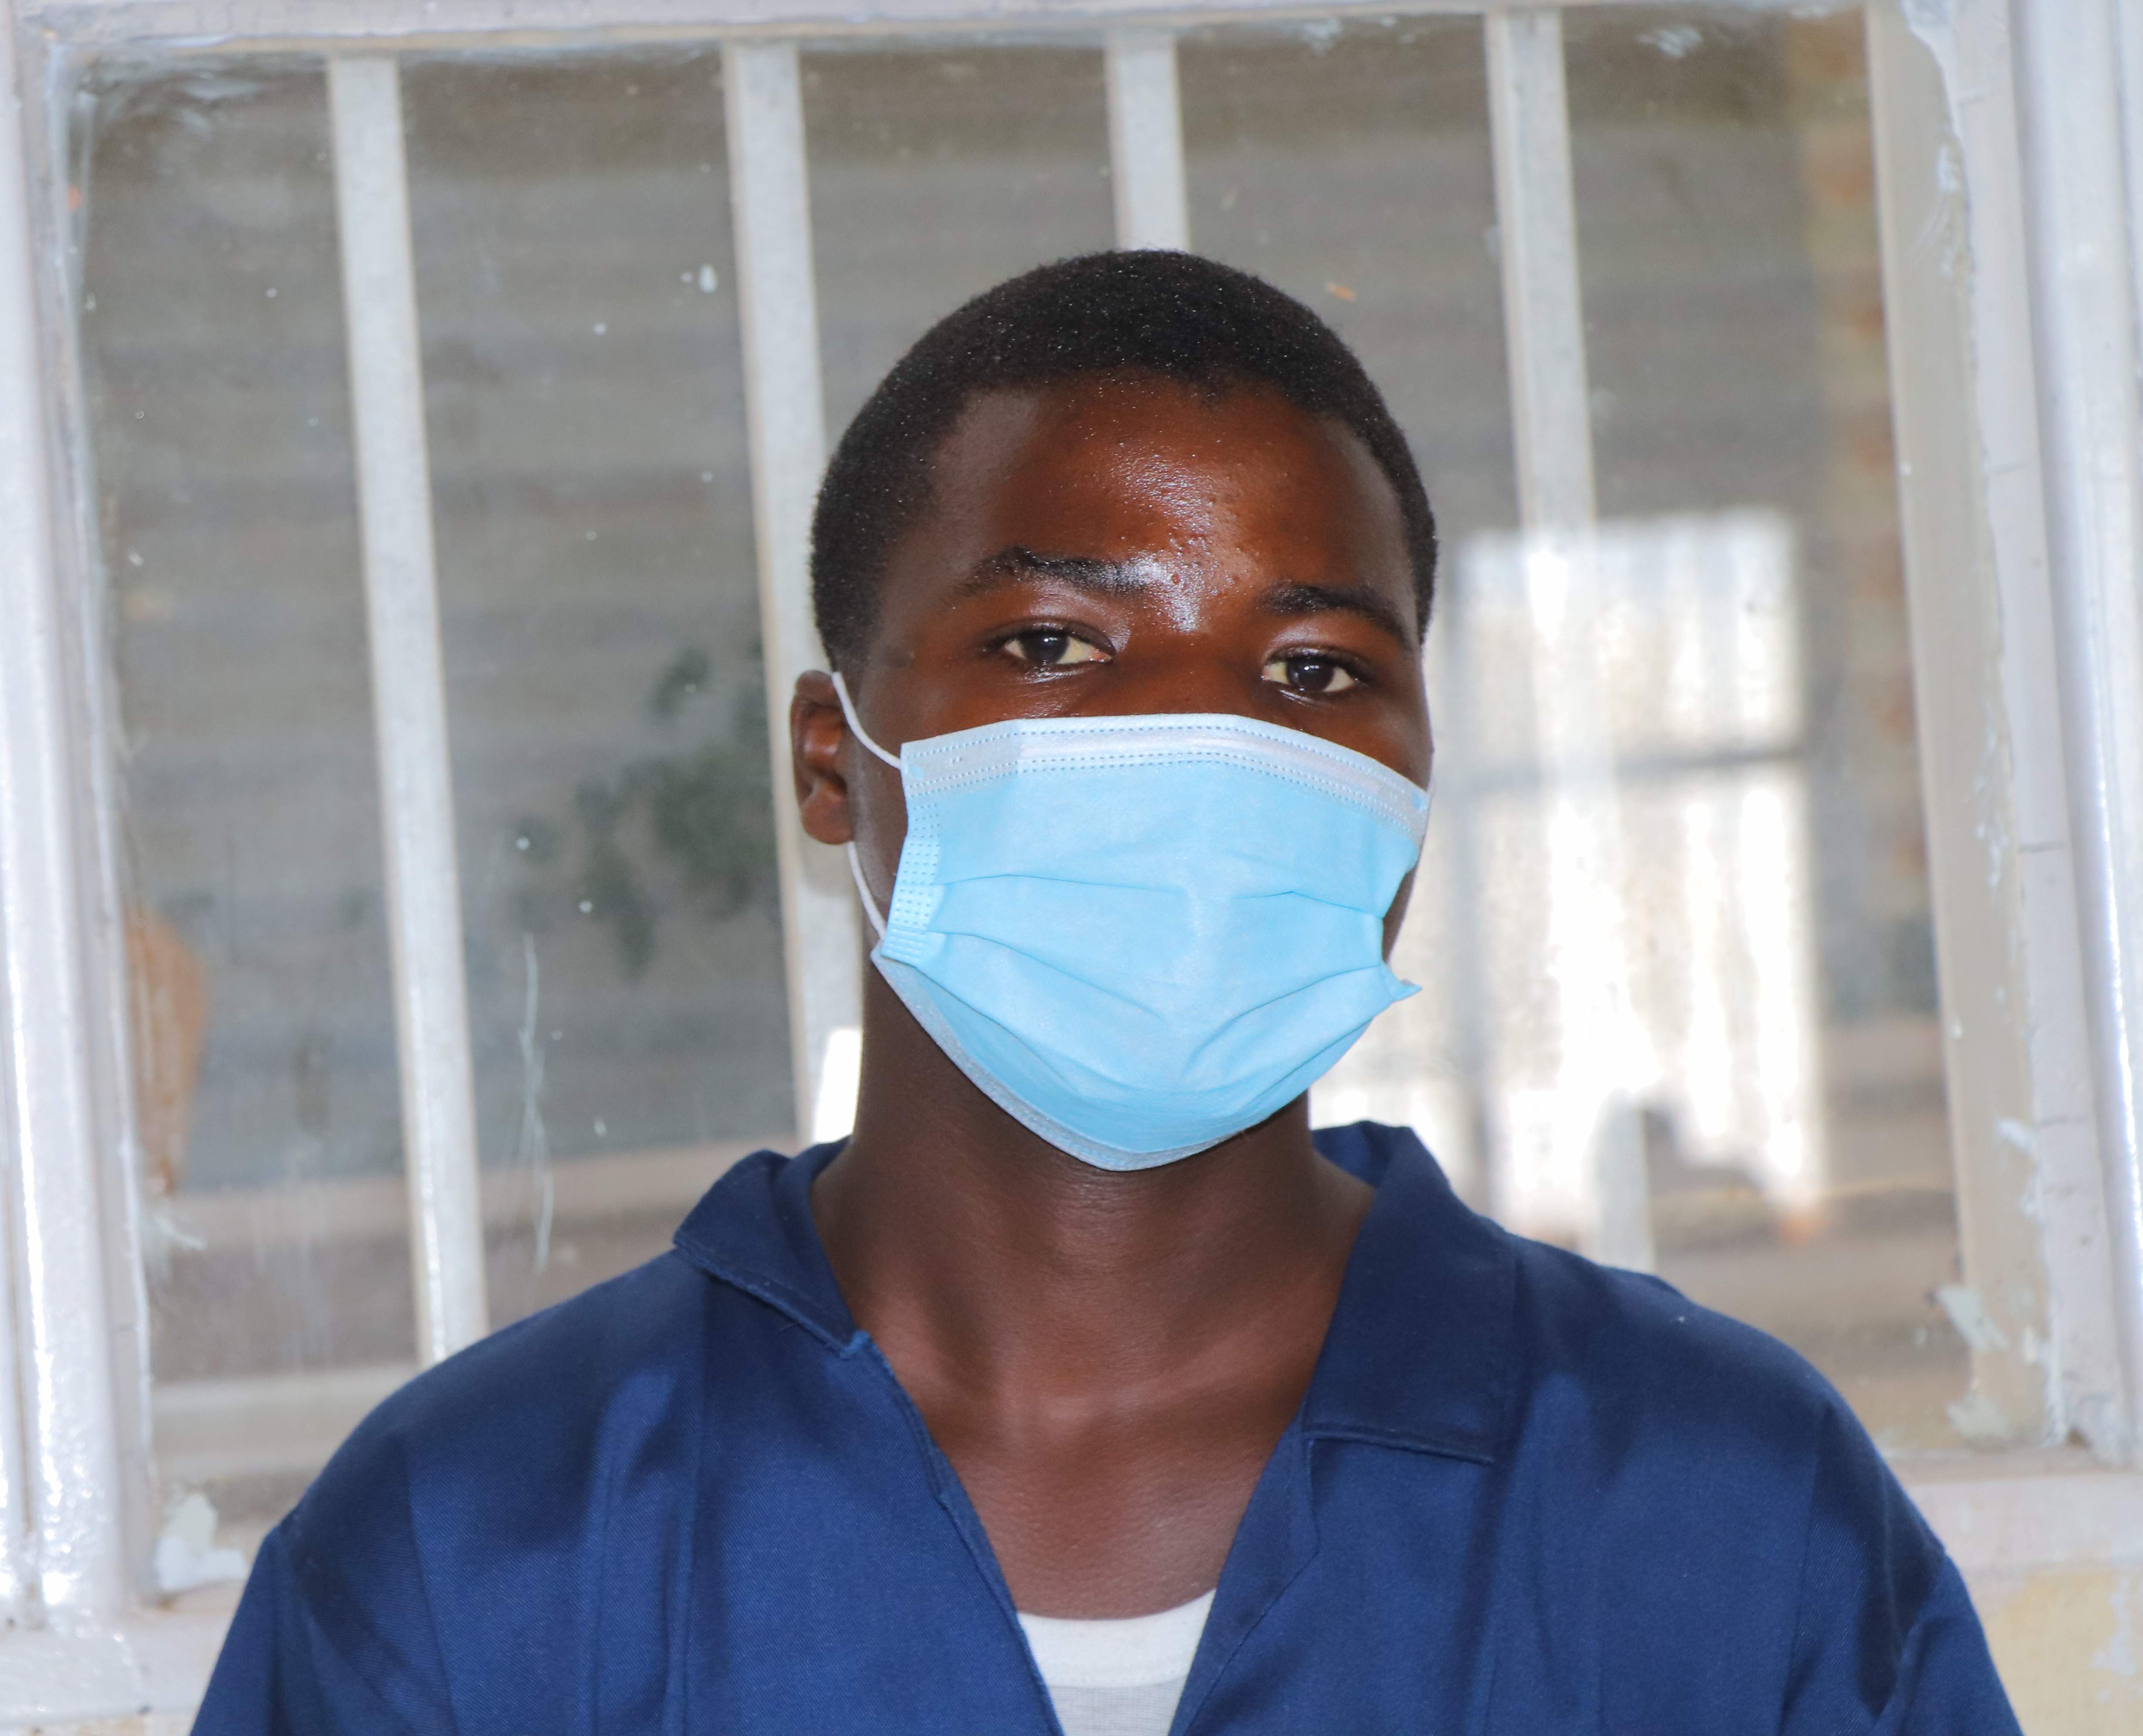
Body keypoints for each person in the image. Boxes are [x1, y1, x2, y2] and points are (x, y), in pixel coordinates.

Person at [190, 251, 2019, 1734]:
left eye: (1313, 671)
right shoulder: (479, 1546)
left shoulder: (1719, 1509)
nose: (1199, 738)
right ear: (834, 760)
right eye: (1056, 643)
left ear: (1412, 783)